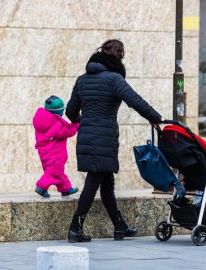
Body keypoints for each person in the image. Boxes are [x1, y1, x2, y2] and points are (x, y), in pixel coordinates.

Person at [66, 39, 162, 242]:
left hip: (86, 135)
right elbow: (135, 101)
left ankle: (120, 227)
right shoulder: (114, 79)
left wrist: (83, 121)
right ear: (119, 57)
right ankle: (76, 227)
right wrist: (156, 118)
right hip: (104, 136)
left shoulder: (82, 79)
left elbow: (70, 111)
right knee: (94, 180)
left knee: (106, 182)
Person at [33, 95, 80, 198]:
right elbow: (68, 131)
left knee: (57, 172)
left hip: (44, 152)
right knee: (54, 171)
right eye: (61, 111)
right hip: (55, 153)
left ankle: (66, 189)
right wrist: (77, 124)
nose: (63, 113)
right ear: (56, 112)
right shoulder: (55, 124)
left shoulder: (42, 121)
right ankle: (41, 186)